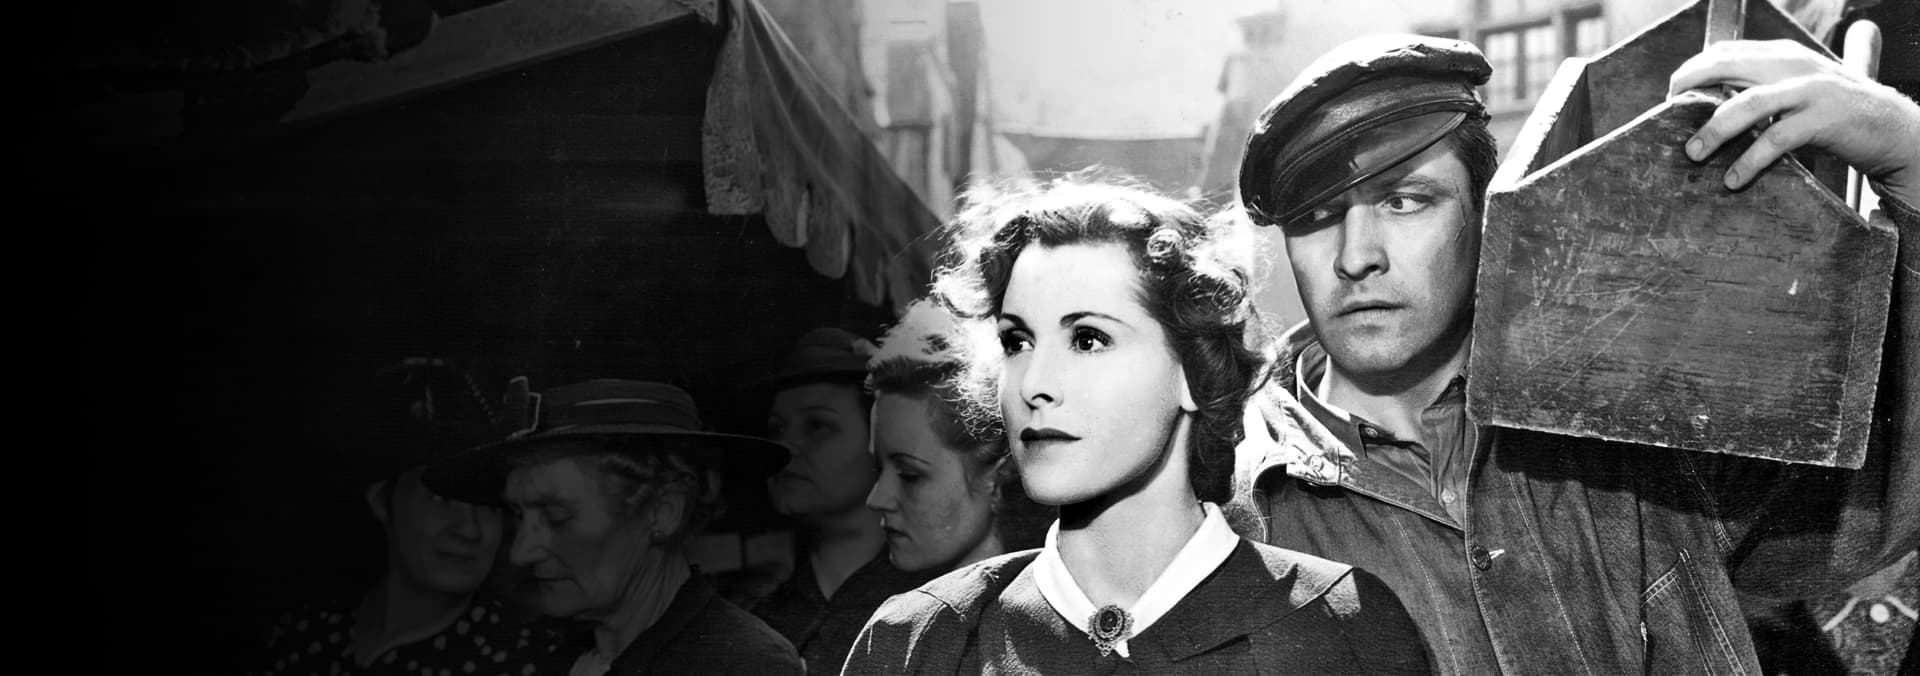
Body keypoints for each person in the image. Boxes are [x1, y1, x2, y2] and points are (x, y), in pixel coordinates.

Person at [1231, 34, 1919, 674]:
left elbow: (1883, 497)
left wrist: (1910, 157)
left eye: (1405, 201)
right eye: (1316, 216)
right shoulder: (1236, 508)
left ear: (1488, 214)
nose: (1356, 257)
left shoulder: (1629, 405)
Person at [844, 175, 1432, 674]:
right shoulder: (918, 642)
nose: (1033, 384)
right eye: (1017, 341)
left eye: (1088, 339)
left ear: (1193, 372)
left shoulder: (1345, 627)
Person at [423, 379, 803, 675]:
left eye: (555, 516)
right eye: (518, 516)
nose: (522, 551)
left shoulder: (743, 665)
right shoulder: (535, 660)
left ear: (663, 512)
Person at [254, 358, 575, 676]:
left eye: (488, 505)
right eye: (443, 498)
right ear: (382, 502)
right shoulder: (304, 636)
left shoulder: (525, 662)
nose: (470, 530)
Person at [746, 328, 934, 673]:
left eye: (818, 426)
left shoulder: (934, 607)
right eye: (777, 429)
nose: (786, 447)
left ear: (883, 439)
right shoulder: (754, 623)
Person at [863, 298, 1051, 574]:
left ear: (999, 475)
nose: (877, 499)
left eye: (909, 475)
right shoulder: (866, 596)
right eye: (878, 469)